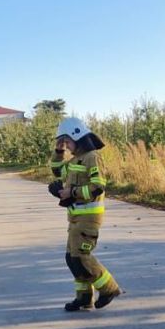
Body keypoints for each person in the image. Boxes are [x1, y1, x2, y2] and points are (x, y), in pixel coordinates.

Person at [48, 117, 121, 311]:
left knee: (81, 256)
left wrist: (71, 193)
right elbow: (56, 171)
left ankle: (109, 288)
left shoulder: (92, 157)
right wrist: (59, 150)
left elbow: (98, 186)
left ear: (77, 137)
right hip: (74, 217)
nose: (67, 146)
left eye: (68, 141)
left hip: (89, 218)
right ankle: (84, 297)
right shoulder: (74, 160)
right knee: (71, 258)